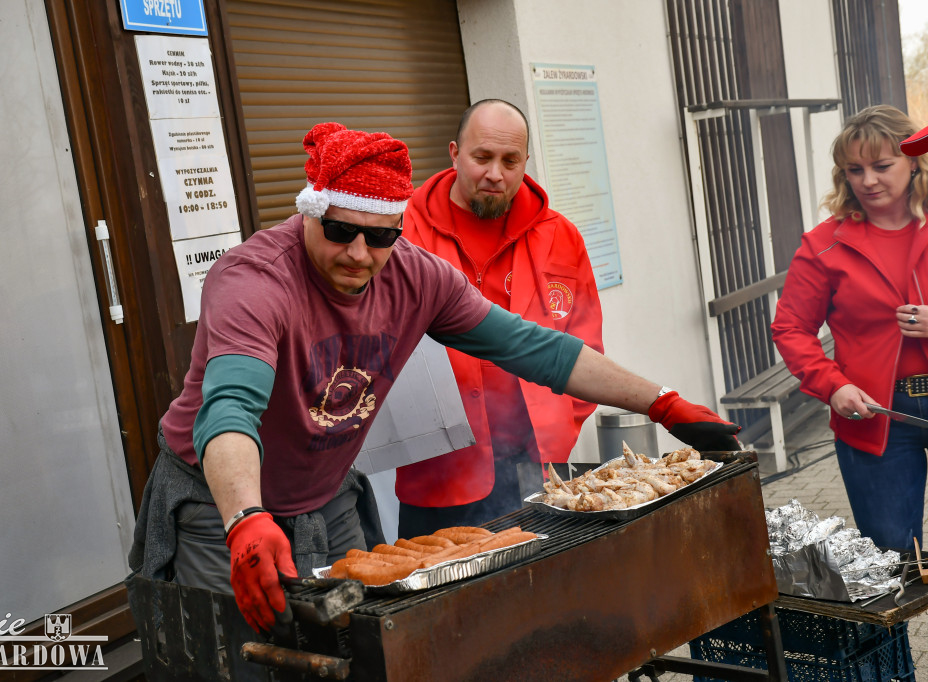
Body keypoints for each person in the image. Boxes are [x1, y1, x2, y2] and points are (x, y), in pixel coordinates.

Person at [127, 121, 740, 642]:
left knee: (349, 648)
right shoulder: (254, 280)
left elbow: (535, 349)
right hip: (221, 507)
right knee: (236, 656)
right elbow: (230, 404)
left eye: (381, 237)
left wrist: (662, 402)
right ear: (310, 211)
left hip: (327, 495)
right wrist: (245, 519)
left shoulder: (420, 278)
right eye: (341, 231)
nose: (359, 255)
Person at [394, 100, 604, 537]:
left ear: (525, 161)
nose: (496, 174)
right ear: (454, 153)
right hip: (439, 476)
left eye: (510, 161)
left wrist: (557, 427)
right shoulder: (400, 231)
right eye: (482, 157)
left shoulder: (560, 236)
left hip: (539, 468)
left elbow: (586, 346)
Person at [771, 104, 928, 552]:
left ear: (913, 161)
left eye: (882, 166)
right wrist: (832, 386)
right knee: (888, 558)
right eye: (854, 170)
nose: (869, 180)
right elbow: (791, 328)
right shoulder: (823, 245)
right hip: (875, 414)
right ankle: (891, 628)